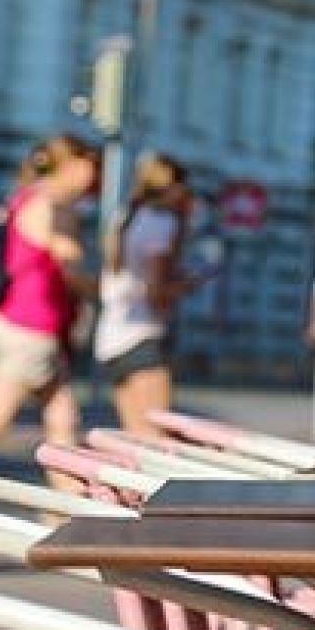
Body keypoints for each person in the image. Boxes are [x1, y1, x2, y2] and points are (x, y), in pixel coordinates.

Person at [0, 134, 99, 474]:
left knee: (63, 421)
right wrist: (111, 290)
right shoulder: (51, 206)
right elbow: (72, 268)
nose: (93, 178)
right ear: (69, 166)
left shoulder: (27, 197)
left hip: (29, 328)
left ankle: (65, 515)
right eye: (89, 168)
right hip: (29, 330)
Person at [95, 153, 197, 434]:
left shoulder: (126, 215)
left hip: (111, 338)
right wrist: (189, 285)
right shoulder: (162, 223)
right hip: (142, 336)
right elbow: (156, 292)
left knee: (136, 438)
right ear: (173, 186)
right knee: (158, 438)